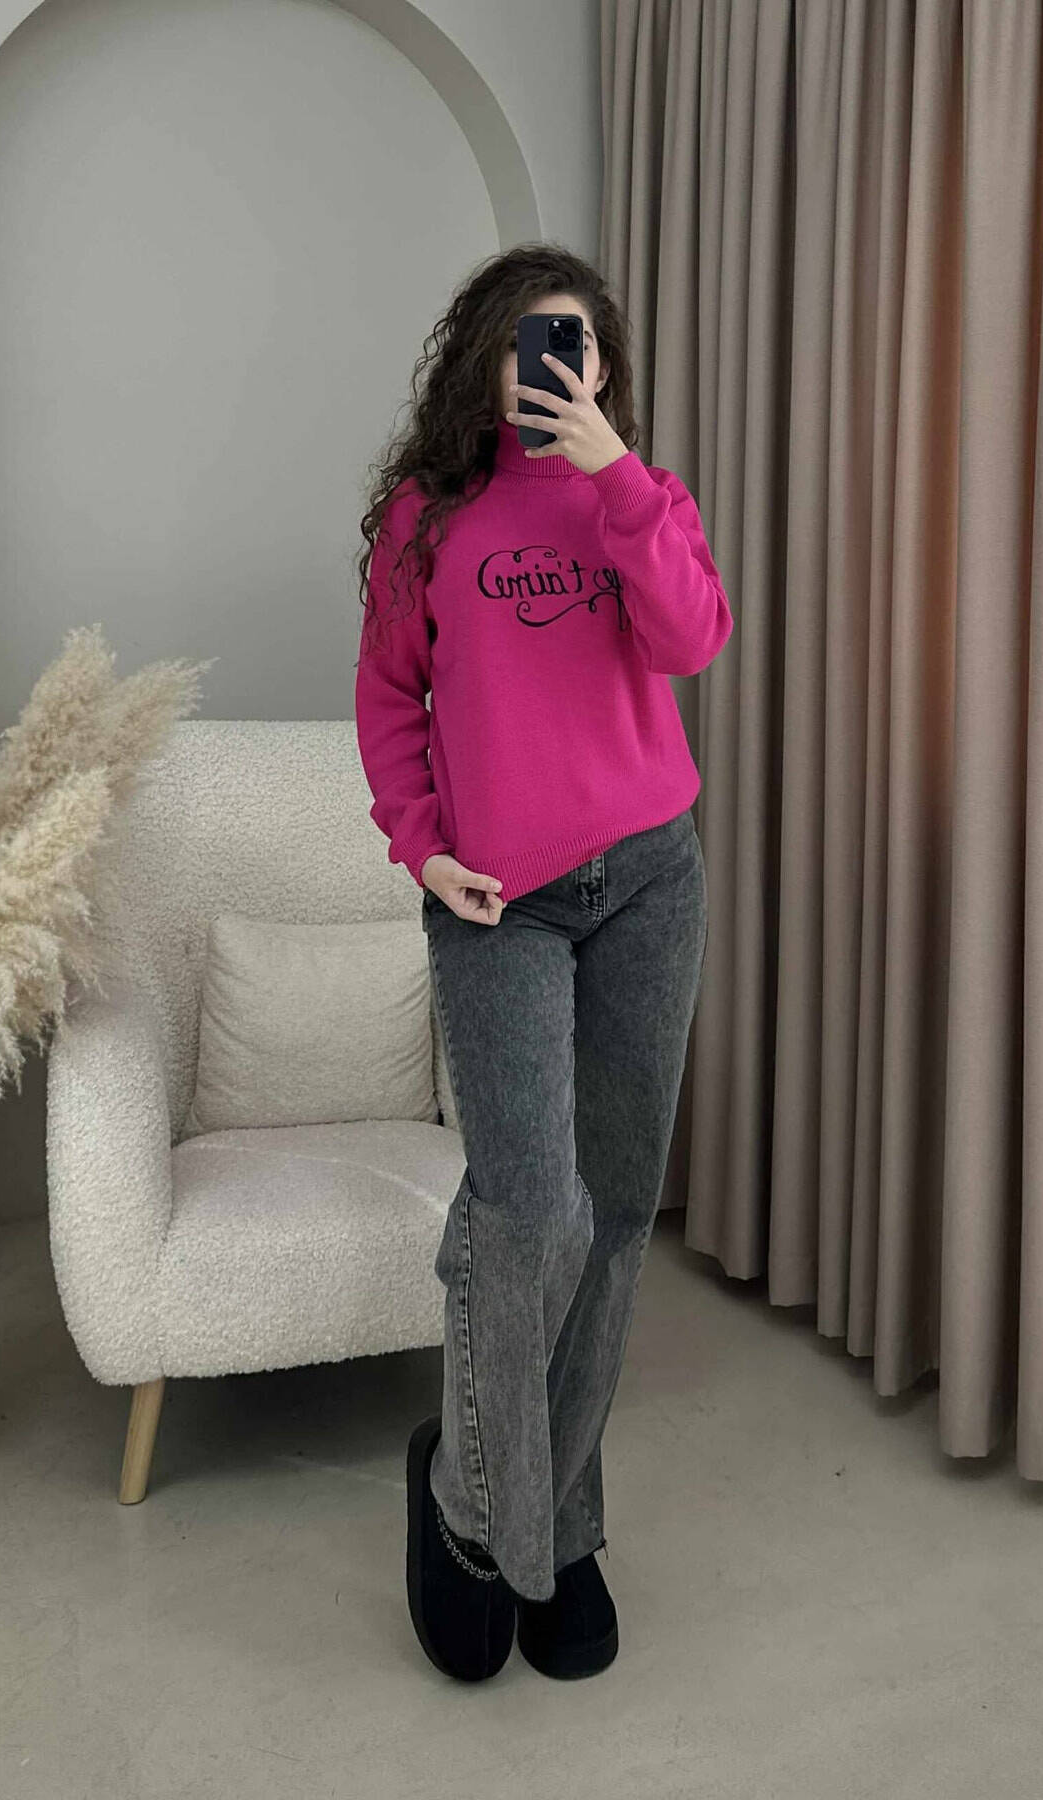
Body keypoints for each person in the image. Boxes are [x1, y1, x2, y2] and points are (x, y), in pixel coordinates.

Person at [354, 243, 732, 1683]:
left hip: (649, 881)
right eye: (529, 345)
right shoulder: (428, 517)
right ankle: (471, 1508)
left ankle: (559, 1529)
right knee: (534, 1216)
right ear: (483, 362)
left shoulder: (639, 496)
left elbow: (690, 641)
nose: (554, 372)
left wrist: (617, 477)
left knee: (620, 1211)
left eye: (576, 346)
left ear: (606, 366)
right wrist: (420, 845)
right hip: (498, 901)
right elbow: (389, 697)